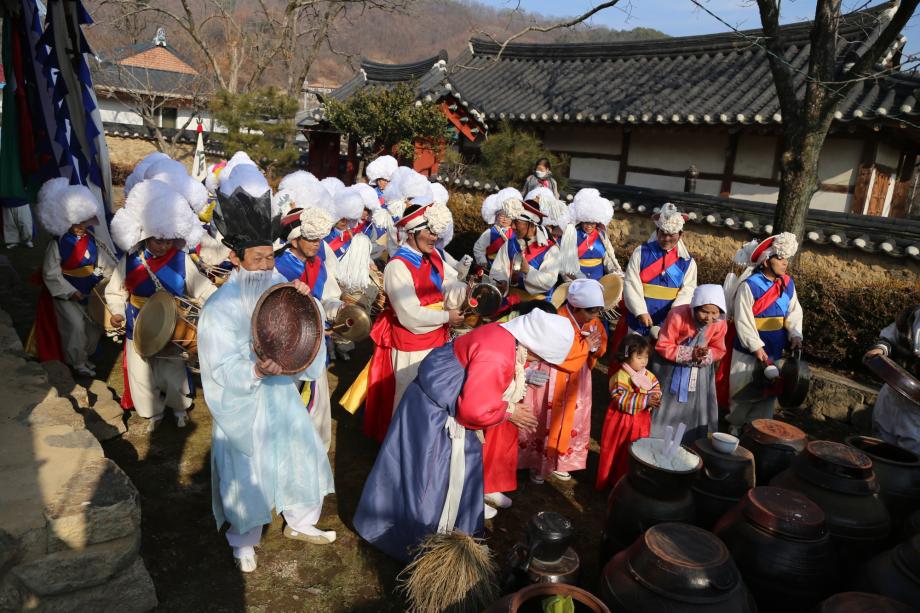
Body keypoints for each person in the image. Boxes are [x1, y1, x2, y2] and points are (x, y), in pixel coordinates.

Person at [198, 162, 335, 574]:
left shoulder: (280, 288)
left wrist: (303, 305)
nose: (264, 266)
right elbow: (217, 365)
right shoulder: (219, 307)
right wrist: (254, 372)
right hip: (245, 398)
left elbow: (305, 339)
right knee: (246, 465)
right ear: (236, 259)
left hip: (282, 391)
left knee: (300, 451)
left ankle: (301, 520)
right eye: (256, 260)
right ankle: (244, 538)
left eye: (268, 258)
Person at [353, 309, 575, 562]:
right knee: (430, 482)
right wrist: (509, 410)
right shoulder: (497, 354)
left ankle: (388, 527)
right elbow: (474, 410)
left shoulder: (503, 333)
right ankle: (420, 545)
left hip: (427, 408)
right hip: (437, 422)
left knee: (407, 471)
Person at [107, 176, 216, 432]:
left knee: (173, 371)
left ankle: (179, 408)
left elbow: (201, 288)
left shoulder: (181, 260)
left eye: (168, 240)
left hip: (173, 324)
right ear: (146, 234)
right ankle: (152, 413)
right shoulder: (130, 260)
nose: (164, 245)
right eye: (159, 239)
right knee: (141, 373)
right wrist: (116, 313)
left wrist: (218, 302)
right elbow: (115, 292)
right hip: (138, 323)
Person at [359, 195, 466, 441]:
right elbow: (409, 314)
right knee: (408, 396)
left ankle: (424, 444)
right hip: (411, 345)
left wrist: (467, 289)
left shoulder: (435, 256)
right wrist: (446, 316)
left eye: (437, 233)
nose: (435, 238)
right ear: (412, 232)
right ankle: (401, 447)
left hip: (436, 339)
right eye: (429, 232)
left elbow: (450, 282)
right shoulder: (397, 267)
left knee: (433, 395)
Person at [517, 278, 608, 487]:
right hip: (552, 375)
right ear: (575, 307)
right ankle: (537, 463)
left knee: (573, 418)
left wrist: (594, 348)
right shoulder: (555, 318)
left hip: (578, 378)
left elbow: (602, 346)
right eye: (590, 312)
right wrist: (585, 347)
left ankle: (561, 461)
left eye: (596, 312)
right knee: (545, 418)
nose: (594, 317)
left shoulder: (594, 323)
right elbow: (559, 354)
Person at [31, 178, 114, 376]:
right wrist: (70, 291)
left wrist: (100, 281)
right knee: (75, 326)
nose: (80, 226)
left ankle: (85, 356)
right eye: (76, 222)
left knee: (94, 327)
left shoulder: (93, 241)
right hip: (68, 292)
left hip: (91, 291)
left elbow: (104, 264)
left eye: (83, 222)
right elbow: (51, 273)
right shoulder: (57, 244)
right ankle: (77, 362)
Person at [724, 232, 803, 432]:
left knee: (767, 396)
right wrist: (756, 347)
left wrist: (795, 334)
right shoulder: (749, 286)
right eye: (780, 258)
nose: (785, 263)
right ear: (766, 261)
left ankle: (758, 433)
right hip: (747, 351)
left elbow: (794, 311)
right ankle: (734, 431)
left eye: (786, 258)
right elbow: (743, 320)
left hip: (775, 350)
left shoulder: (787, 284)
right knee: (743, 394)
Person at [651, 284, 728, 444]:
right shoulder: (677, 315)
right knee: (667, 407)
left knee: (693, 408)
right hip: (670, 369)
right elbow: (663, 345)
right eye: (704, 311)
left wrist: (704, 355)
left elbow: (719, 348)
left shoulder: (719, 323)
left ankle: (688, 441)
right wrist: (690, 354)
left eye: (714, 313)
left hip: (698, 373)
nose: (709, 318)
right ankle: (656, 438)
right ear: (695, 306)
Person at [620, 203, 697, 338]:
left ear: (680, 234)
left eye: (671, 235)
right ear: (657, 231)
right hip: (639, 319)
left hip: (668, 320)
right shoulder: (641, 252)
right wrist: (640, 311)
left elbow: (688, 291)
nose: (666, 238)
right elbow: (631, 283)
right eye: (662, 233)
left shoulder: (687, 261)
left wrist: (673, 315)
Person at [596, 335, 661, 490]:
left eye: (646, 357)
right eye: (639, 357)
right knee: (617, 449)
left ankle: (629, 478)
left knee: (635, 450)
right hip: (621, 421)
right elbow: (621, 399)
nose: (644, 361)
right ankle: (611, 480)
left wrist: (656, 397)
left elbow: (655, 386)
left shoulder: (646, 374)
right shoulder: (620, 376)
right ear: (626, 356)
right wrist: (645, 400)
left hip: (640, 420)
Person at [865, 305, 920, 453]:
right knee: (877, 450)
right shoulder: (911, 316)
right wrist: (880, 349)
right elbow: (889, 339)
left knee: (909, 463)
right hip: (891, 396)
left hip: (917, 414)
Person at [489, 193, 561, 301]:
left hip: (537, 305)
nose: (512, 227)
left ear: (531, 225)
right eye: (512, 222)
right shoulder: (510, 244)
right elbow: (497, 269)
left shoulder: (551, 249)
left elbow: (549, 281)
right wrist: (502, 281)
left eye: (516, 223)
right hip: (511, 300)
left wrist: (528, 271)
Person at [567, 188, 622, 280]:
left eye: (592, 223)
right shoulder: (573, 234)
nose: (589, 226)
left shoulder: (602, 235)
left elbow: (607, 257)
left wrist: (613, 270)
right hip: (577, 277)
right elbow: (566, 261)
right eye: (586, 222)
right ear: (581, 221)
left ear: (597, 222)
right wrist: (574, 278)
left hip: (598, 277)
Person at [472, 192, 514, 271]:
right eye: (502, 216)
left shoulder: (515, 233)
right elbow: (478, 248)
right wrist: (483, 262)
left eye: (508, 216)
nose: (505, 219)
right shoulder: (489, 232)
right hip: (491, 267)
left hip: (509, 268)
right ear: (496, 216)